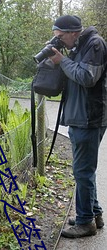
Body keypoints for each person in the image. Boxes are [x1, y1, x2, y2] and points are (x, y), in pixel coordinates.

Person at [49, 15, 107, 238]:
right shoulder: (78, 46)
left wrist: (62, 61)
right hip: (79, 117)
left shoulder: (95, 44)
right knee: (84, 171)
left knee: (82, 171)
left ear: (73, 32)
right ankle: (94, 214)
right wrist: (59, 60)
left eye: (61, 37)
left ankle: (85, 223)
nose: (60, 41)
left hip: (89, 118)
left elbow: (86, 77)